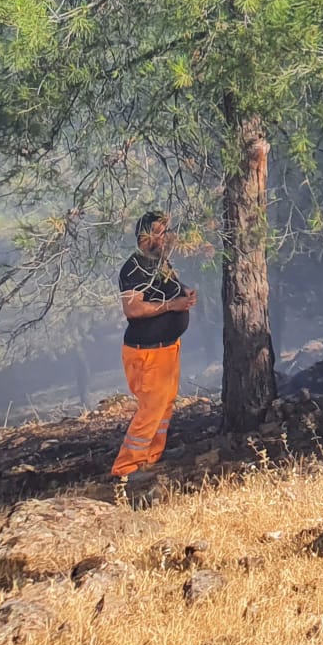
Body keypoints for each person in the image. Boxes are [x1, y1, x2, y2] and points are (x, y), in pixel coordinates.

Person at [111, 208, 197, 499]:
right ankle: (127, 469)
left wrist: (185, 293)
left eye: (167, 231)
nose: (166, 237)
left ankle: (151, 458)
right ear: (143, 236)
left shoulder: (160, 261)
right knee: (150, 409)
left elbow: (169, 286)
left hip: (167, 349)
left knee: (165, 405)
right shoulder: (133, 268)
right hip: (146, 352)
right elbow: (133, 309)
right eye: (159, 232)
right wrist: (171, 307)